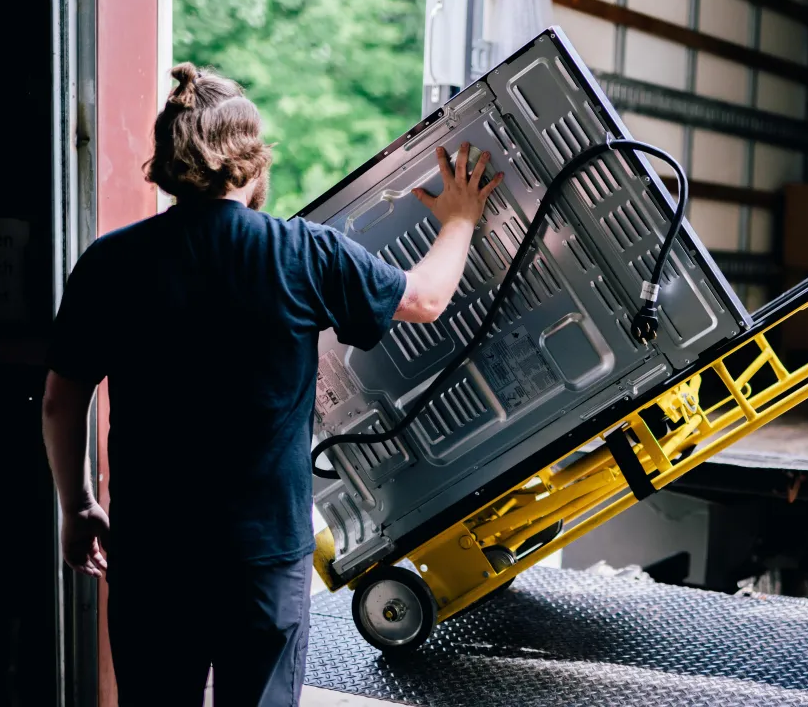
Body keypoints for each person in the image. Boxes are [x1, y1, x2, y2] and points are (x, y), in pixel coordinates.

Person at [41, 63, 501, 706]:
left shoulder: (111, 262)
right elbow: (425, 299)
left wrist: (78, 505)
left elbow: (62, 400)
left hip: (152, 552)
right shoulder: (302, 253)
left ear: (167, 164)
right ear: (253, 163)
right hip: (262, 560)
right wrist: (460, 216)